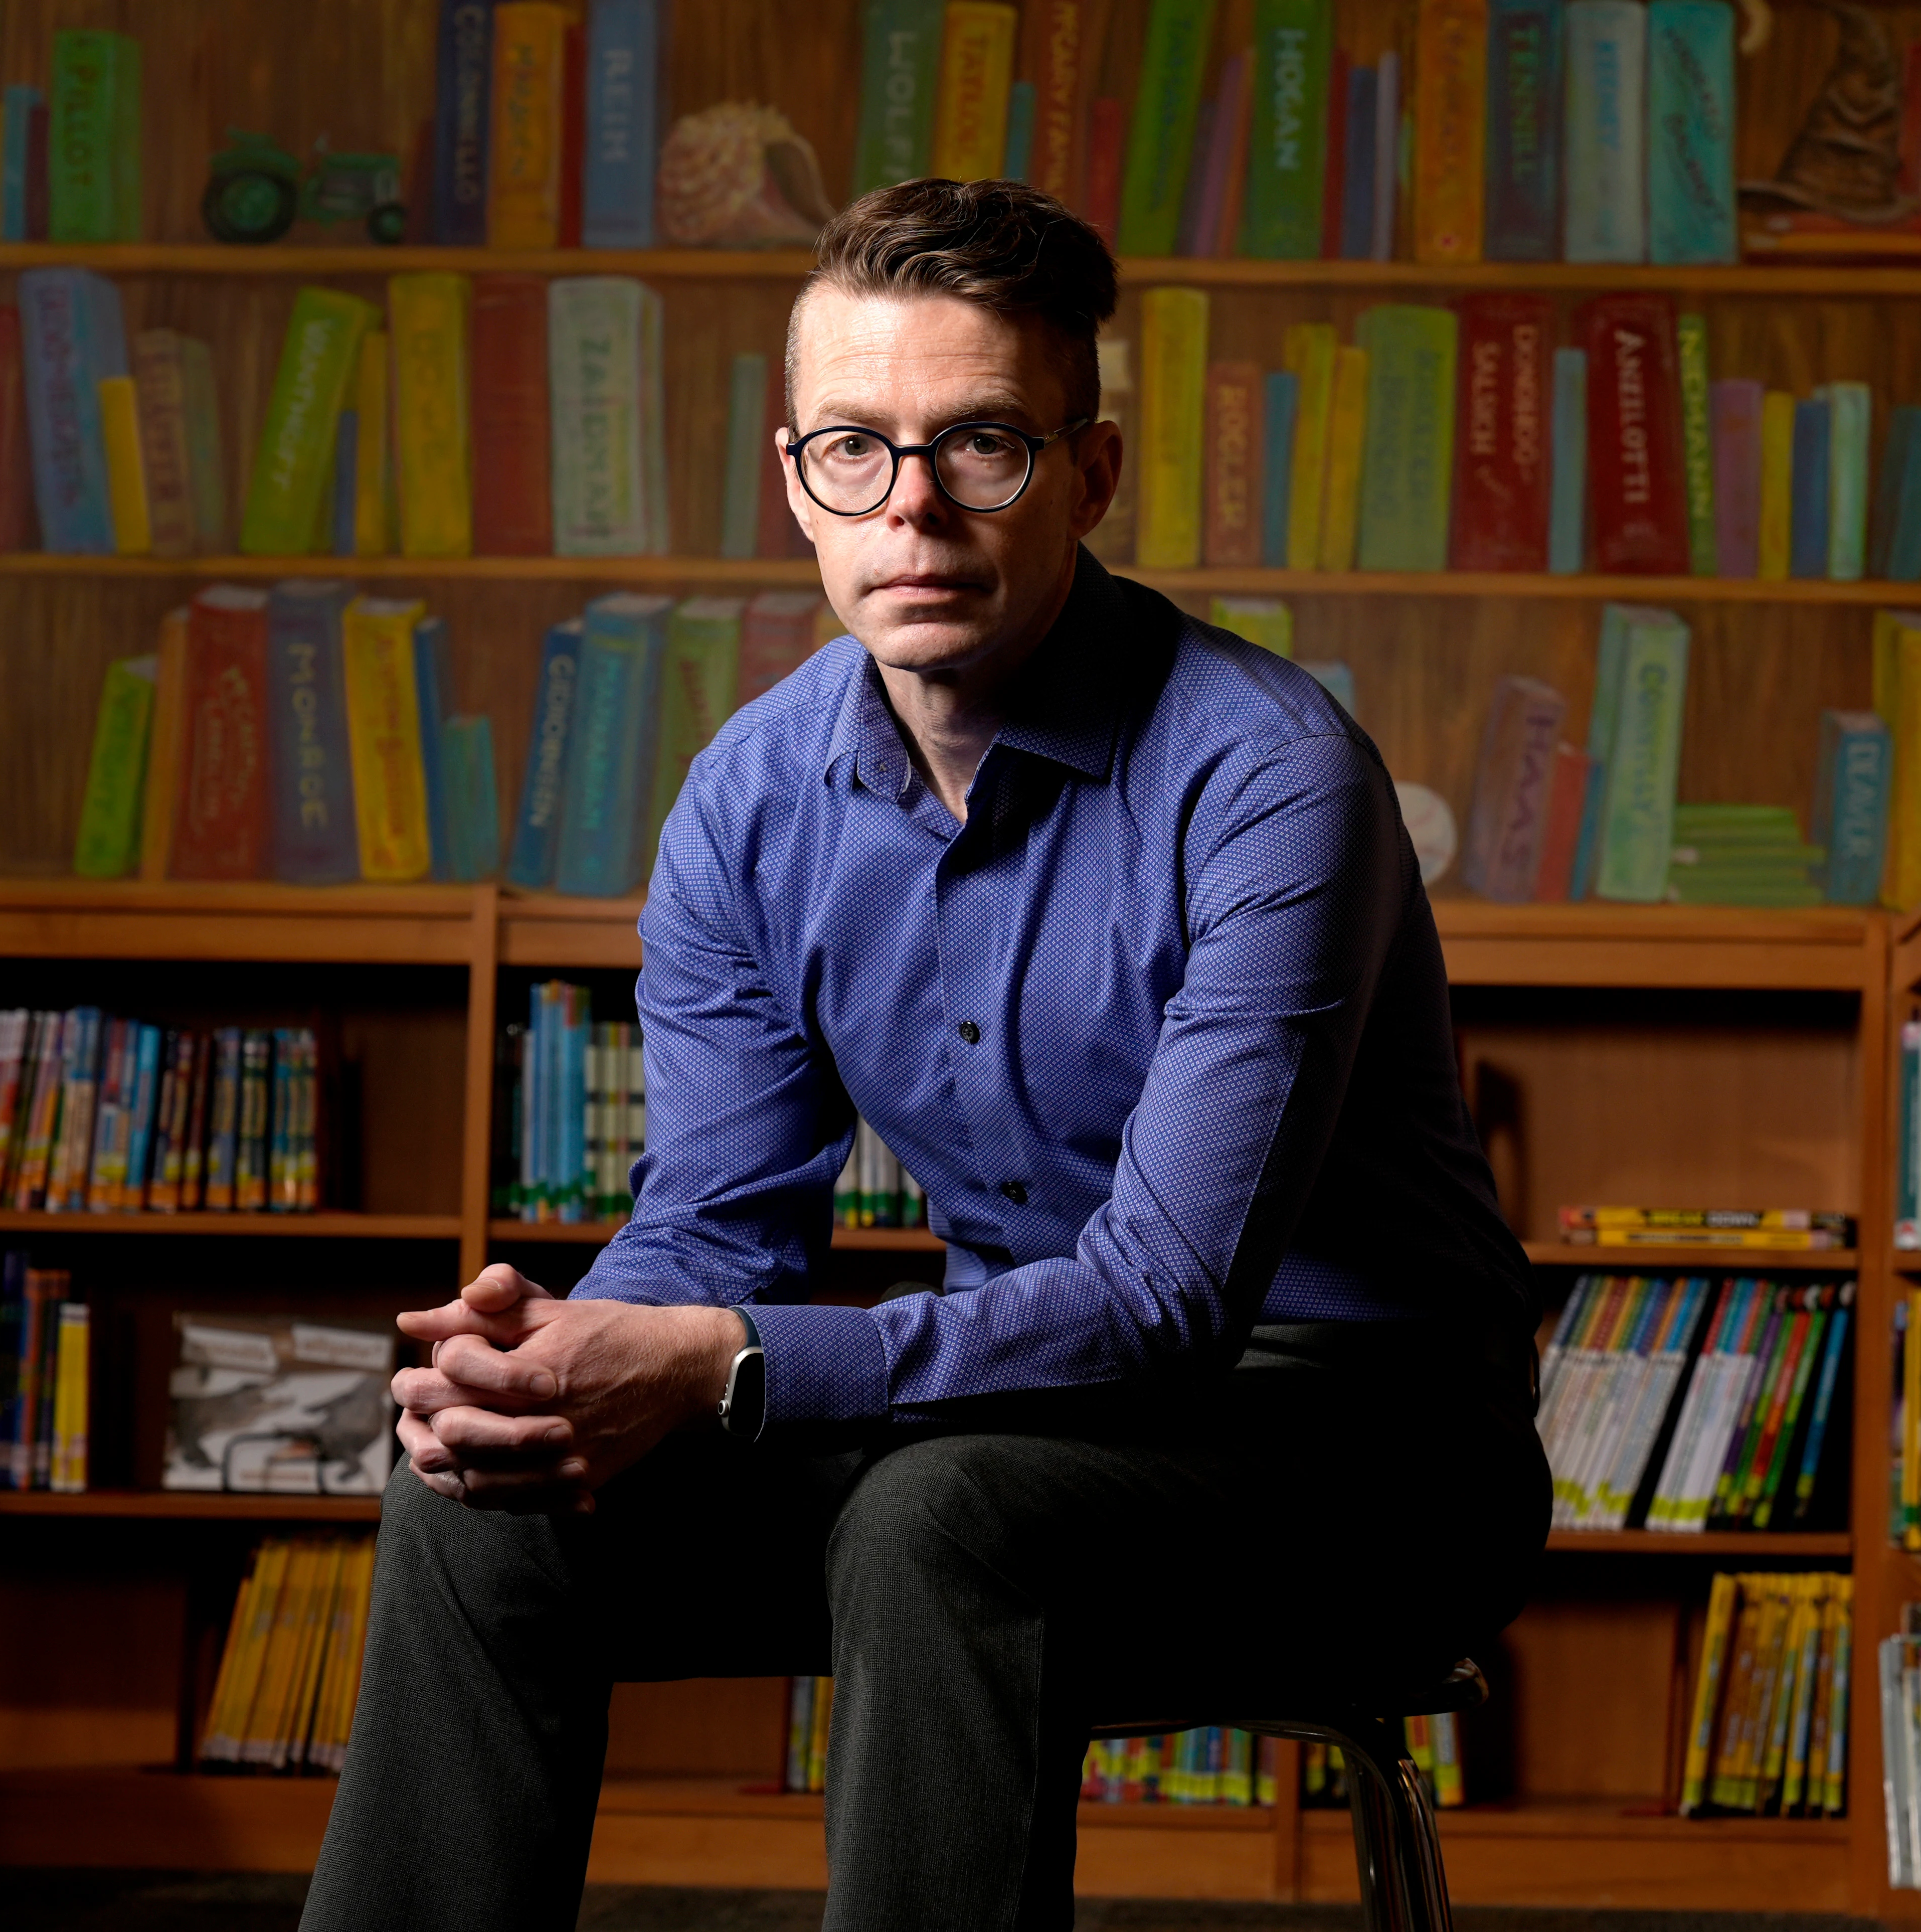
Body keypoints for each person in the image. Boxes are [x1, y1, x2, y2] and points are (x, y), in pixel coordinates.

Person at [298, 179, 1551, 1932]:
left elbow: (1164, 1306)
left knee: (938, 1519)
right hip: (999, 1416)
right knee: (479, 1503)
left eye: (982, 447)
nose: (914, 511)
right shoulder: (749, 796)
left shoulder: (1269, 775)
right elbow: (717, 1233)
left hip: (1365, 1450)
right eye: (854, 451)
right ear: (794, 477)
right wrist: (570, 1357)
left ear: (1087, 475)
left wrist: (721, 1358)